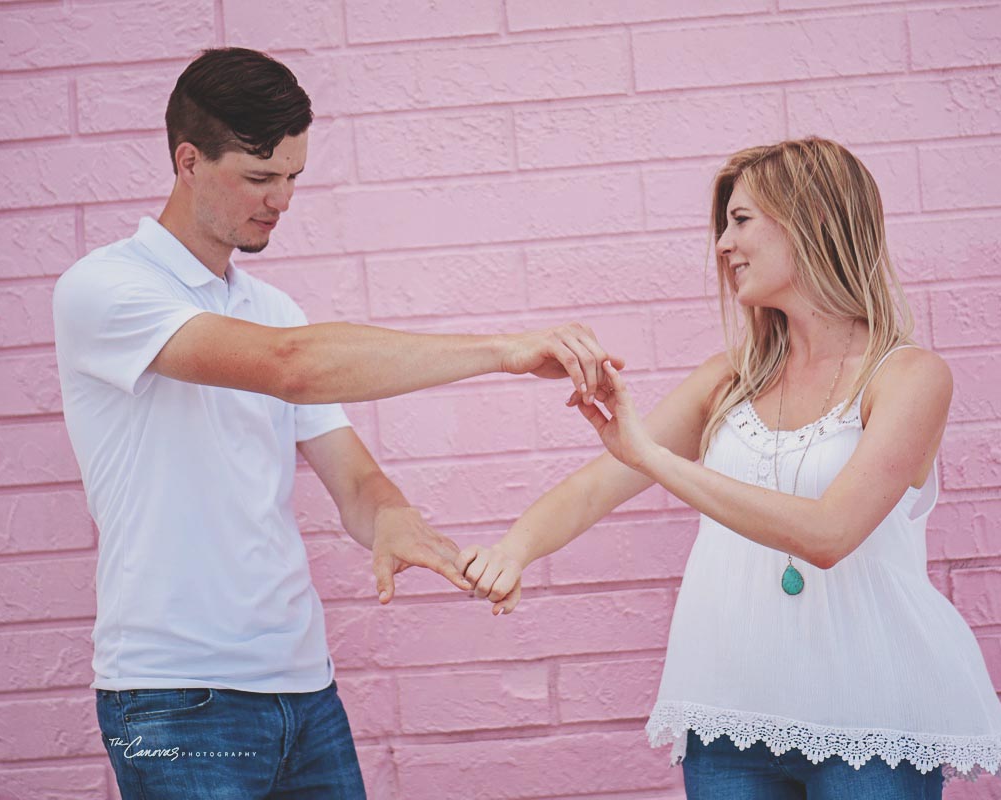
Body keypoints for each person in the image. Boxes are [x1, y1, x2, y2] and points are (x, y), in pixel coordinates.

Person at [52, 47, 620, 800]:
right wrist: (506, 352)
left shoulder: (272, 307)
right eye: (260, 178)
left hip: (304, 691)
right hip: (175, 699)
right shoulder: (105, 290)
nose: (281, 200)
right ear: (187, 161)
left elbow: (351, 477)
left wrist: (392, 518)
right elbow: (293, 365)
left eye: (292, 177)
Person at [459, 138, 1001, 798]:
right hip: (729, 715)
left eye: (742, 220)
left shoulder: (908, 377)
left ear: (814, 219)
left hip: (871, 723)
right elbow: (601, 481)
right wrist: (513, 549)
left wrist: (653, 455)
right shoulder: (729, 379)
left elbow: (828, 534)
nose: (723, 245)